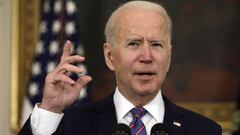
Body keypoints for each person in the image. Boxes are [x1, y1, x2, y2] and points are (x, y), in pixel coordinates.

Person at [19, 1, 222, 135]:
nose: (147, 56)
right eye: (134, 44)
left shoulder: (204, 130)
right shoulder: (70, 125)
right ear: (109, 56)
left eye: (156, 44)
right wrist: (51, 110)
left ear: (168, 56)